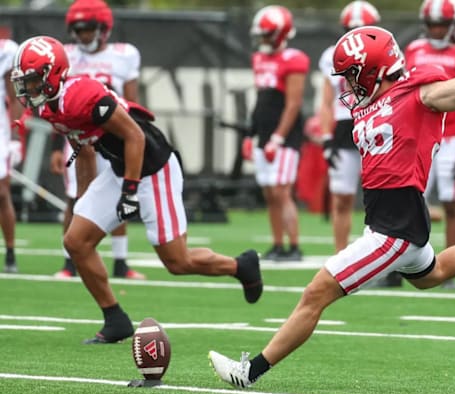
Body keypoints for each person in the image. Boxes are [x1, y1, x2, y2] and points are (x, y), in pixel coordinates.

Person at [209, 25, 455, 389]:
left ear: (374, 69)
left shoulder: (420, 95)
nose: (348, 86)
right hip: (392, 220)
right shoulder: (374, 103)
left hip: (394, 227)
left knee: (315, 293)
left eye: (352, 75)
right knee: (434, 272)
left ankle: (250, 372)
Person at [10, 35, 263, 343]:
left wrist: (130, 190)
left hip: (154, 166)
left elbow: (135, 137)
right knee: (76, 241)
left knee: (177, 261)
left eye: (33, 81)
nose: (28, 89)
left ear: (53, 73)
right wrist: (83, 198)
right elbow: (85, 150)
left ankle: (241, 266)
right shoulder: (52, 109)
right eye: (24, 82)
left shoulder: (82, 96)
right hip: (120, 167)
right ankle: (115, 319)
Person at [52, 0, 145, 279]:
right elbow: (57, 105)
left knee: (119, 192)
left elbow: (130, 101)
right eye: (78, 30)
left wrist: (131, 136)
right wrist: (58, 147)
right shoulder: (66, 55)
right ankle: (70, 263)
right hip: (78, 137)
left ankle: (120, 262)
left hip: (112, 135)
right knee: (75, 198)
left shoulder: (124, 55)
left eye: (88, 29)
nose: (83, 35)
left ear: (103, 29)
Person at [399, 0, 455, 289]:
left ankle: (449, 266)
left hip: (452, 137)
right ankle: (402, 264)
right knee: (409, 200)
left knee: (451, 203)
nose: (436, 30)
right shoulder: (415, 50)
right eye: (433, 24)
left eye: (442, 24)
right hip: (419, 137)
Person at [245, 5, 308, 262]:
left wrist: (278, 138)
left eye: (266, 34)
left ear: (280, 34)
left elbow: (293, 104)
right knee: (270, 193)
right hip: (264, 133)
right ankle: (277, 243)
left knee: (282, 191)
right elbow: (260, 100)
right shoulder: (259, 58)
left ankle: (293, 246)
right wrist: (250, 136)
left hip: (284, 136)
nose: (262, 39)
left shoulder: (294, 59)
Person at [318, 1, 380, 254]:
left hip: (376, 121)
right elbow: (325, 100)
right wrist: (325, 137)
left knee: (379, 197)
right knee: (342, 197)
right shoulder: (331, 55)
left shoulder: (383, 53)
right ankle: (340, 256)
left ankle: (380, 253)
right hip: (345, 126)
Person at [0, 38, 22, 274]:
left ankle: (10, 251)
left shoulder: (5, 50)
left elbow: (15, 97)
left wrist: (16, 138)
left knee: (1, 193)